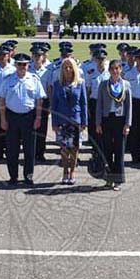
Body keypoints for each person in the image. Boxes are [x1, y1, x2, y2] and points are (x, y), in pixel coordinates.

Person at [0, 53, 46, 186]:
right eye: (19, 64)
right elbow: (1, 100)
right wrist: (3, 119)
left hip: (29, 117)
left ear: (28, 65)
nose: (22, 67)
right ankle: (13, 177)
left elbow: (39, 100)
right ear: (15, 65)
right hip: (12, 116)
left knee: (29, 149)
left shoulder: (34, 79)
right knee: (11, 149)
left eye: (24, 64)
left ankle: (28, 176)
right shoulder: (7, 80)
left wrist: (38, 117)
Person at [50, 57, 88, 185]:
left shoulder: (80, 83)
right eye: (65, 67)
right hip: (61, 120)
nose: (67, 69)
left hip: (75, 120)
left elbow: (83, 103)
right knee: (64, 149)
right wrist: (54, 122)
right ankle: (65, 172)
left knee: (75, 149)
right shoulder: (57, 84)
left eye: (70, 67)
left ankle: (72, 172)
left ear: (74, 69)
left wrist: (84, 121)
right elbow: (54, 104)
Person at [95, 59, 131, 190]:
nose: (115, 71)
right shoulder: (103, 84)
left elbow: (129, 106)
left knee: (119, 151)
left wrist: (127, 124)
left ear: (120, 70)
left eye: (117, 68)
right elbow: (99, 105)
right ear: (109, 70)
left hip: (120, 120)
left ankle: (118, 180)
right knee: (108, 150)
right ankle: (109, 179)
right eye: (112, 69)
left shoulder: (126, 85)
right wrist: (98, 123)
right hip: (107, 120)